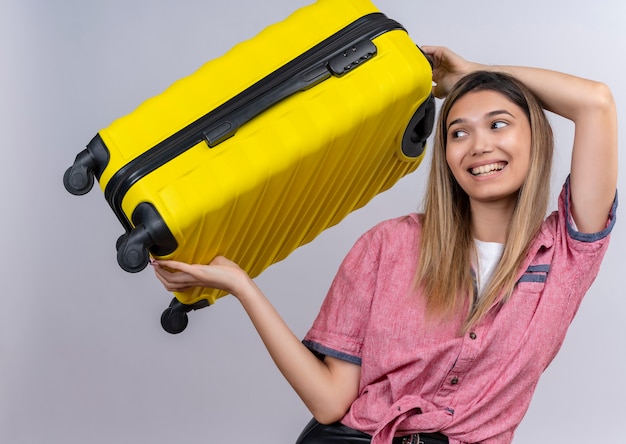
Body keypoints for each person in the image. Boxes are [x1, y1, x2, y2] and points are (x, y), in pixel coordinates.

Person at [152, 46, 618, 443]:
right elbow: (331, 401)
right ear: (447, 157)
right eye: (458, 132)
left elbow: (595, 103)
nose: (478, 144)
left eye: (499, 124)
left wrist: (470, 76)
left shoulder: (564, 253)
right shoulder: (389, 245)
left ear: (535, 138)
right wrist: (242, 286)